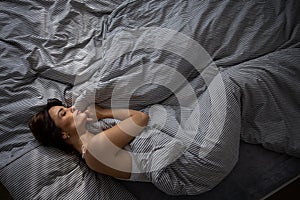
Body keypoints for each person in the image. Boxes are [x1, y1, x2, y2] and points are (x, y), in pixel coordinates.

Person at [28, 98, 149, 180]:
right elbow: (141, 118)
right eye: (63, 114)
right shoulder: (93, 149)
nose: (71, 108)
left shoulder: (93, 146)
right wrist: (103, 112)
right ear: (63, 134)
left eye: (66, 107)